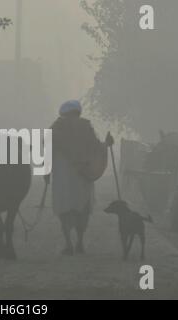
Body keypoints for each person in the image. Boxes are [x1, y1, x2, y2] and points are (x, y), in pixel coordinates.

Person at [45, 100, 114, 255]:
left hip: (63, 175)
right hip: (83, 174)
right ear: (78, 112)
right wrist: (106, 144)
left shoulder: (56, 128)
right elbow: (97, 148)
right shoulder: (86, 127)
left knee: (64, 208)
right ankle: (80, 242)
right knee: (83, 207)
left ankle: (68, 243)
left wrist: (46, 173)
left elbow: (47, 151)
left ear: (63, 113)